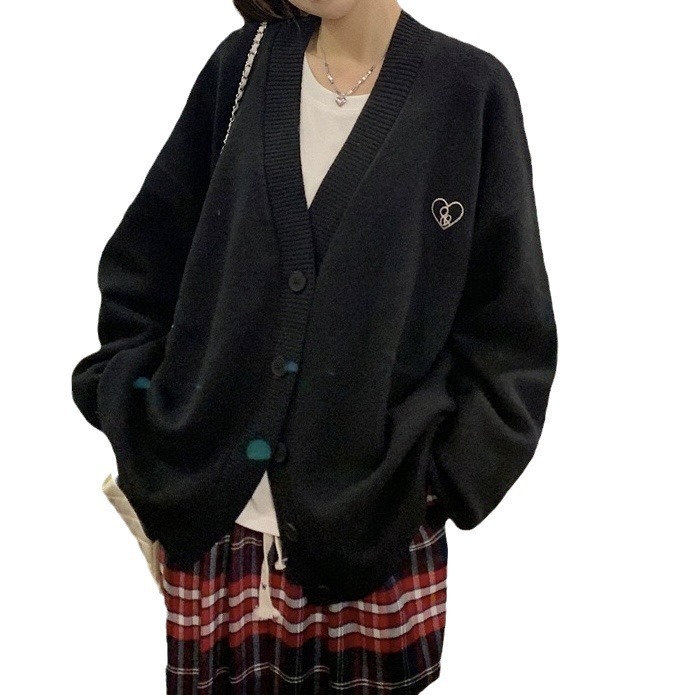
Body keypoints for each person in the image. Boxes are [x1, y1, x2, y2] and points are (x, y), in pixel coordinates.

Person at [71, 0, 558, 692]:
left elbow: (510, 330)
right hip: (214, 526)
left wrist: (435, 480)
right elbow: (145, 264)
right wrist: (138, 408)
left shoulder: (469, 93)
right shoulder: (240, 67)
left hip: (373, 531)